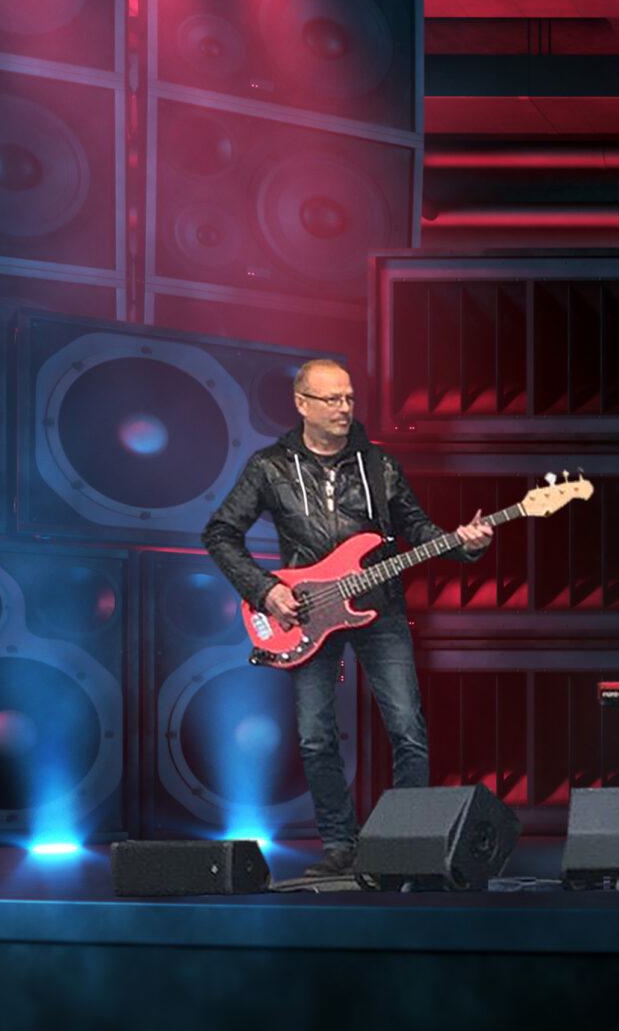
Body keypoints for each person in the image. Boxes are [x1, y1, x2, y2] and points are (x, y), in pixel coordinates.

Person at [202, 357, 492, 880]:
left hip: (379, 607)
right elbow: (220, 533)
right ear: (302, 403)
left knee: (407, 728)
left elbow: (418, 529)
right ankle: (339, 844)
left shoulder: (379, 465)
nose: (344, 408)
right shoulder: (269, 466)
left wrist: (464, 544)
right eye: (332, 398)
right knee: (315, 735)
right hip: (304, 614)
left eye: (349, 398)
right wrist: (266, 591)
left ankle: (408, 843)